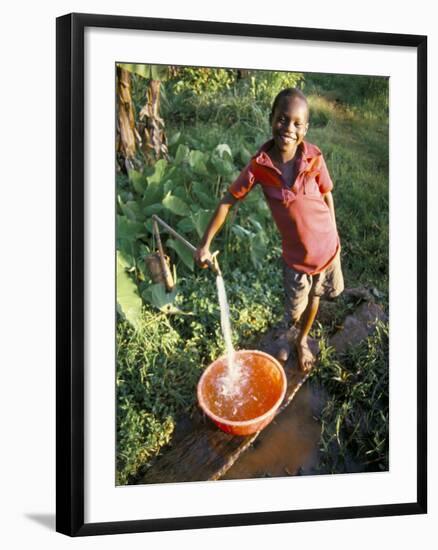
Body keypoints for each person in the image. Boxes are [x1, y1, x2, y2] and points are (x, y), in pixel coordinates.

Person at [195, 88, 344, 372]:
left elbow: (327, 195)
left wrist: (334, 231)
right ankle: (289, 332)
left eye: (297, 123)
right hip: (296, 259)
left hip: (327, 249)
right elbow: (227, 201)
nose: (289, 128)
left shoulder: (314, 158)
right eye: (283, 119)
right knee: (294, 308)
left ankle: (301, 341)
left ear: (306, 128)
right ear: (271, 118)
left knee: (317, 297)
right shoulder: (259, 167)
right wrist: (205, 243)